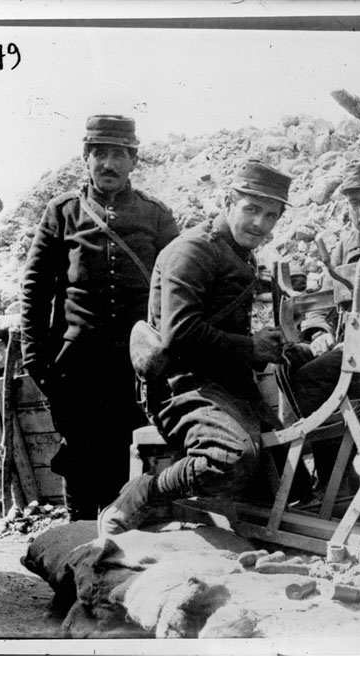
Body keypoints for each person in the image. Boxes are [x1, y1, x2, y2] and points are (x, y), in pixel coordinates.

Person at [98, 159, 298, 535]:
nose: (260, 224)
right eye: (251, 209)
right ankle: (146, 492)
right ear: (228, 201)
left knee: (292, 481)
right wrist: (251, 347)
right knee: (231, 459)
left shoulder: (237, 252)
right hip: (180, 386)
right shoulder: (193, 250)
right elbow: (181, 334)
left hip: (226, 385)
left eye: (271, 215)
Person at [20, 115, 179, 520]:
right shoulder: (62, 214)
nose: (108, 164)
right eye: (100, 154)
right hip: (77, 367)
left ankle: (122, 554)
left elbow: (178, 288)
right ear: (85, 158)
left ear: (133, 161)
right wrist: (35, 358)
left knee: (133, 456)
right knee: (80, 457)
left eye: (119, 155)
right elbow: (35, 291)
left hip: (136, 369)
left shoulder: (156, 216)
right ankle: (79, 545)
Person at [285, 161, 360, 486]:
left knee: (310, 380)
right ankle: (332, 476)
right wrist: (319, 330)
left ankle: (335, 481)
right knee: (290, 365)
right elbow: (321, 302)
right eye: (353, 202)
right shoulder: (345, 246)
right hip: (350, 352)